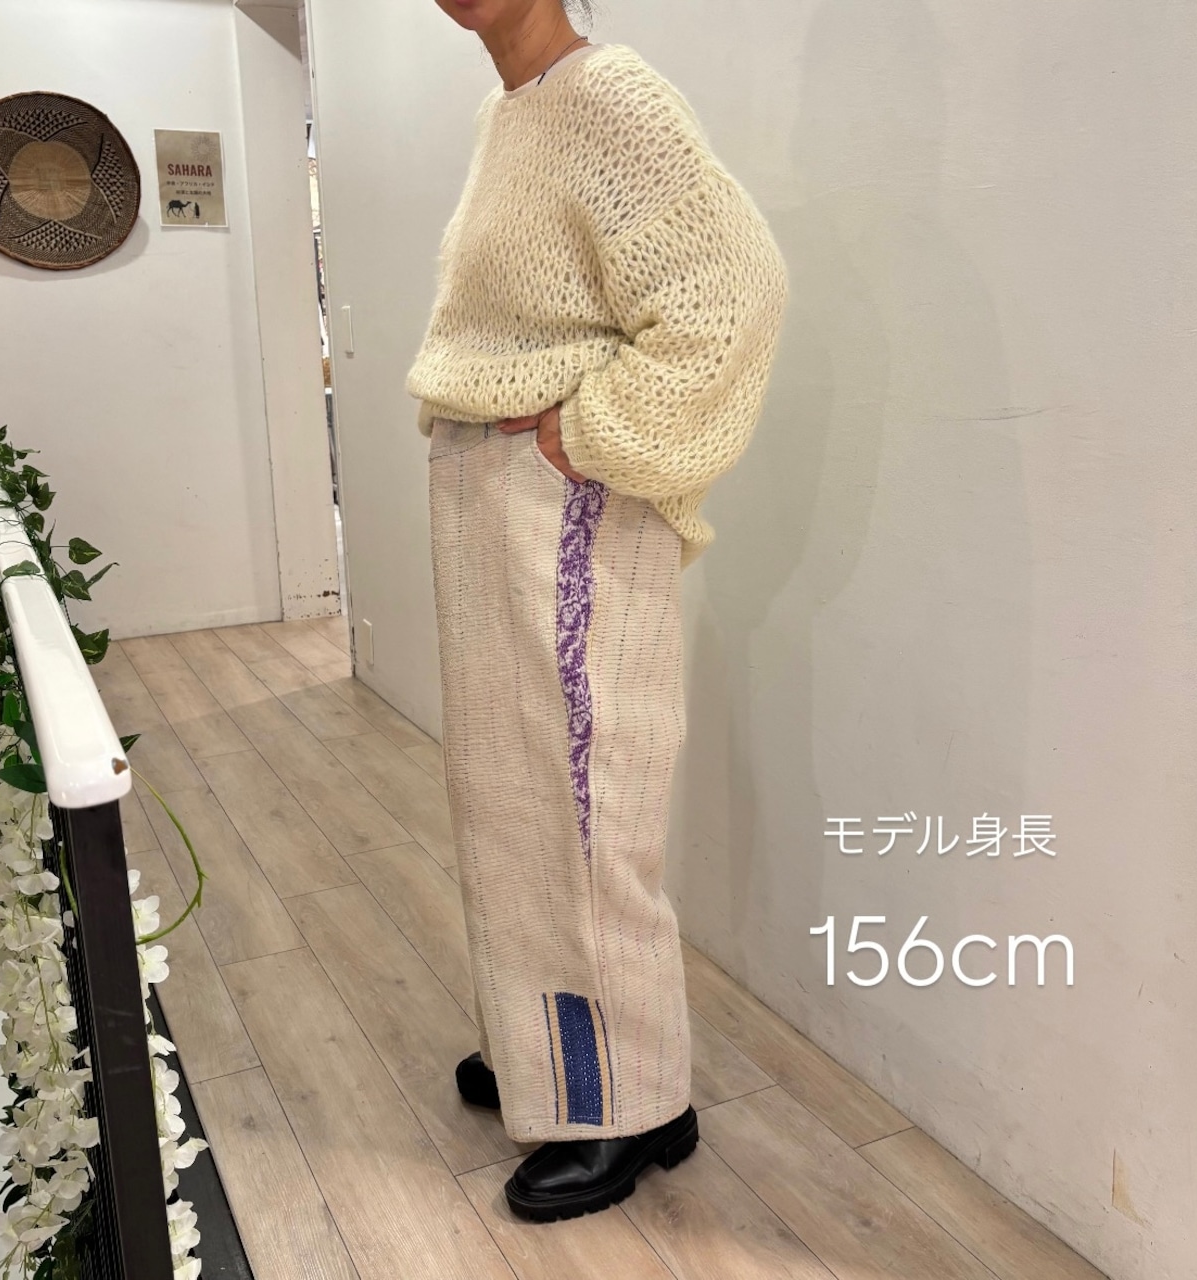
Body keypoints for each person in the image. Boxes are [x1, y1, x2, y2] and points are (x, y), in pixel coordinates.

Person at [407, 0, 788, 1222]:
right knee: (513, 799)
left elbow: (733, 291)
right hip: (494, 492)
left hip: (561, 498)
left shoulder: (608, 97)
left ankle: (616, 1099)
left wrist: (591, 433)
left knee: (580, 804)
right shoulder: (509, 111)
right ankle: (551, 1052)